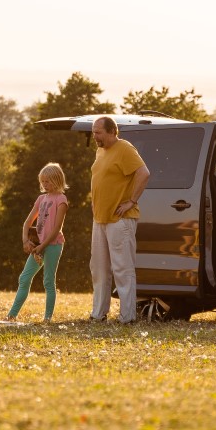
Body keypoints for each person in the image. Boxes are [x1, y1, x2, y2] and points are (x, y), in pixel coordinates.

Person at [89, 115, 150, 324]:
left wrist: (131, 201)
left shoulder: (124, 148)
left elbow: (143, 173)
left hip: (120, 219)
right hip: (100, 219)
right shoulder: (100, 151)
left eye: (98, 132)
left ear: (112, 132)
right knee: (99, 269)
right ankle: (98, 314)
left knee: (122, 269)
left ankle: (127, 316)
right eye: (93, 132)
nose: (95, 136)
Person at [7, 163, 69, 322]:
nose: (44, 184)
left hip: (53, 245)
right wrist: (25, 241)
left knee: (48, 281)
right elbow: (27, 223)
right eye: (42, 181)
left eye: (47, 181)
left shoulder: (61, 200)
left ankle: (47, 318)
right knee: (24, 278)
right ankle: (12, 315)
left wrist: (43, 246)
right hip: (38, 247)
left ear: (57, 180)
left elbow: (57, 228)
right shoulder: (41, 199)